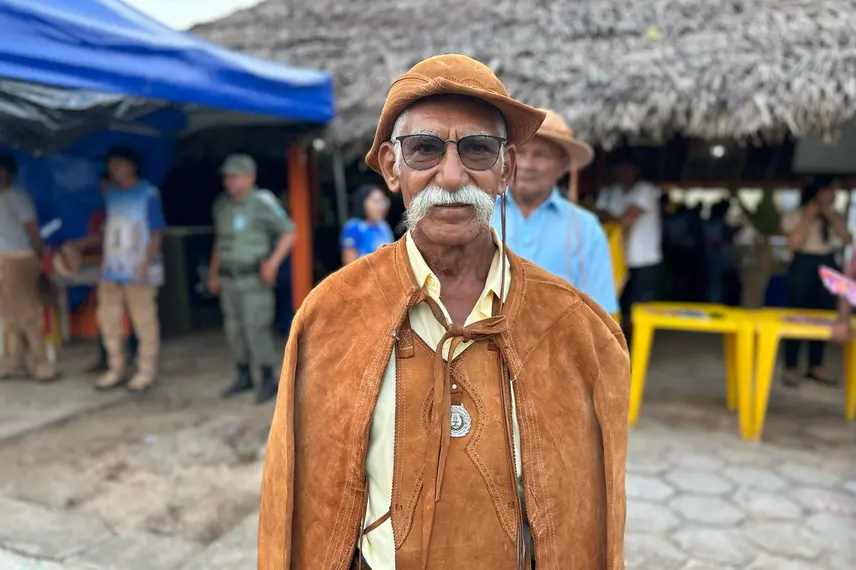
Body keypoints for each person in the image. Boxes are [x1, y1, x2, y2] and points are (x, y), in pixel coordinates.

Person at [258, 54, 630, 570]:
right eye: (425, 149)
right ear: (391, 167)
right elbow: (293, 505)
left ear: (506, 169)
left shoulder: (574, 327)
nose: (452, 176)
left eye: (478, 149)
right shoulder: (330, 316)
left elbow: (591, 520)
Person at [492, 109, 618, 314]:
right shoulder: (480, 214)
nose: (526, 165)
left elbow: (601, 315)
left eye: (540, 155)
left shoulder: (586, 228)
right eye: (521, 153)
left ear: (562, 166)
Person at [69, 147, 166, 392]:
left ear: (132, 166)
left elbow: (156, 233)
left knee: (144, 322)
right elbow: (110, 229)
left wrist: (145, 262)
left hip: (139, 269)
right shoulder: (112, 194)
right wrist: (104, 260)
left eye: (119, 164)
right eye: (111, 165)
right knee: (108, 320)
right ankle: (116, 368)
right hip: (112, 269)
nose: (114, 169)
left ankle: (146, 371)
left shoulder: (148, 194)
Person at [208, 154, 296, 404]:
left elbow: (289, 232)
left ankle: (268, 377)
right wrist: (214, 274)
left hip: (253, 279)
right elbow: (219, 241)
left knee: (256, 328)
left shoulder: (262, 203)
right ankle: (243, 374)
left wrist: (273, 263)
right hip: (229, 279)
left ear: (250, 177)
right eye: (227, 177)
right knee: (234, 329)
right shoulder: (222, 205)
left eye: (234, 176)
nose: (229, 182)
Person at [781, 177, 851, 387]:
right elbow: (794, 242)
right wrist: (809, 216)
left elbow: (846, 239)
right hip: (803, 262)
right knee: (798, 314)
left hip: (828, 263)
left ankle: (816, 366)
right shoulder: (795, 214)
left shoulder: (835, 215)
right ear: (817, 192)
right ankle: (791, 366)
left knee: (825, 314)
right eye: (830, 190)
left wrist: (831, 217)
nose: (834, 195)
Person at [0, 153, 56, 381]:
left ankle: (42, 363)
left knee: (28, 313)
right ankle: (15, 362)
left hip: (20, 258)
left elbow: (33, 233)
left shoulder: (17, 198)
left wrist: (37, 259)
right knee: (11, 315)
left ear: (7, 173)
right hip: (3, 259)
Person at [597, 160, 662, 347]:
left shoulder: (645, 189)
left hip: (644, 259)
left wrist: (613, 216)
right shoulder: (613, 191)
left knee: (640, 306)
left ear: (636, 170)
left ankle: (639, 345)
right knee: (619, 304)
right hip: (618, 258)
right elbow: (599, 214)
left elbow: (626, 220)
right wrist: (618, 217)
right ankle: (622, 345)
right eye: (618, 168)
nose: (622, 172)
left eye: (626, 168)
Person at [85, 173, 138, 373]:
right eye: (102, 187)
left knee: (134, 314)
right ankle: (105, 357)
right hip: (107, 270)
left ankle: (135, 355)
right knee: (105, 315)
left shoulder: (130, 209)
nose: (104, 191)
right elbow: (96, 240)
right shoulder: (99, 214)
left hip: (129, 268)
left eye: (108, 187)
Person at [340, 184, 394, 265]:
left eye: (383, 201)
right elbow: (349, 264)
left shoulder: (384, 226)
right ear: (363, 203)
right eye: (376, 201)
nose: (381, 206)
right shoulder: (353, 227)